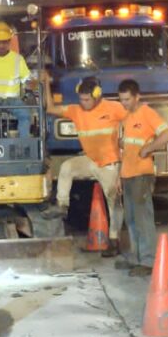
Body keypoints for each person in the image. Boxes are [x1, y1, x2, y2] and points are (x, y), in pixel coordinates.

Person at [39, 71, 128, 257]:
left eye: (87, 100)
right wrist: (46, 83)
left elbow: (134, 119)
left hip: (110, 164)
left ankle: (114, 241)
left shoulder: (114, 108)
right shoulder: (76, 110)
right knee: (66, 167)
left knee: (114, 202)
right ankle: (62, 205)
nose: (83, 103)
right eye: (81, 99)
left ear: (97, 96)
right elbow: (50, 109)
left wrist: (128, 141)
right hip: (91, 160)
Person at [115, 79, 168, 277]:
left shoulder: (147, 113)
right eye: (121, 99)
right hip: (127, 174)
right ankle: (136, 257)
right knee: (131, 219)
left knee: (143, 219)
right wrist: (119, 176)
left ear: (137, 96)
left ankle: (148, 261)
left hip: (141, 174)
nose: (124, 103)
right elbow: (125, 147)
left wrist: (148, 148)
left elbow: (167, 133)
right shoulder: (127, 116)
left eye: (127, 99)